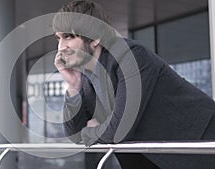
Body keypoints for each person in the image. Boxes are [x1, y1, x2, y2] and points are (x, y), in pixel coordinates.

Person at [53, 0, 215, 169]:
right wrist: (73, 85)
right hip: (151, 157)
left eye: (69, 36)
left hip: (200, 145)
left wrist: (90, 132)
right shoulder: (87, 77)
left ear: (95, 37)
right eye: (58, 38)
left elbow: (120, 128)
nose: (61, 47)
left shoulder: (131, 56)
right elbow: (74, 133)